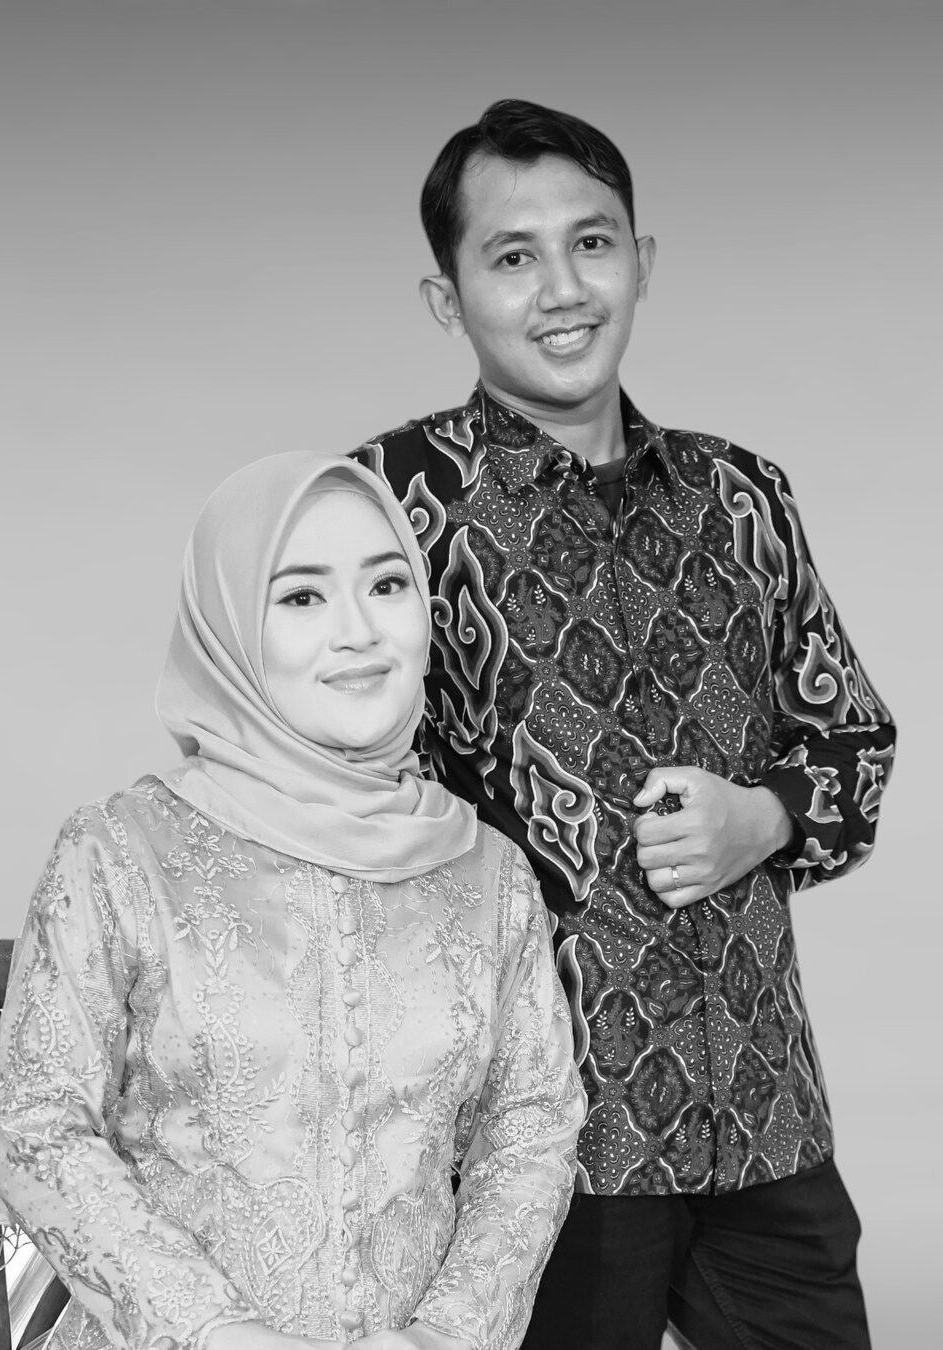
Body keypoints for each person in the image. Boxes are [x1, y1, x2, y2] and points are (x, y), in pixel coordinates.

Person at [351, 99, 895, 1349]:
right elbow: (337, 793)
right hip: (530, 1141)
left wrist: (764, 818)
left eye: (591, 243)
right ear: (447, 298)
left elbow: (851, 740)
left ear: (642, 260)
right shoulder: (389, 505)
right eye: (512, 255)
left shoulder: (742, 495)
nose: (562, 289)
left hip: (759, 1110)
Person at [0, 452, 585, 1350]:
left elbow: (530, 1130)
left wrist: (443, 1336)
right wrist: (216, 1334)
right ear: (228, 628)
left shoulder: (488, 877)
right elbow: (39, 1124)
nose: (358, 632)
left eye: (386, 585)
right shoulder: (119, 852)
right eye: (301, 596)